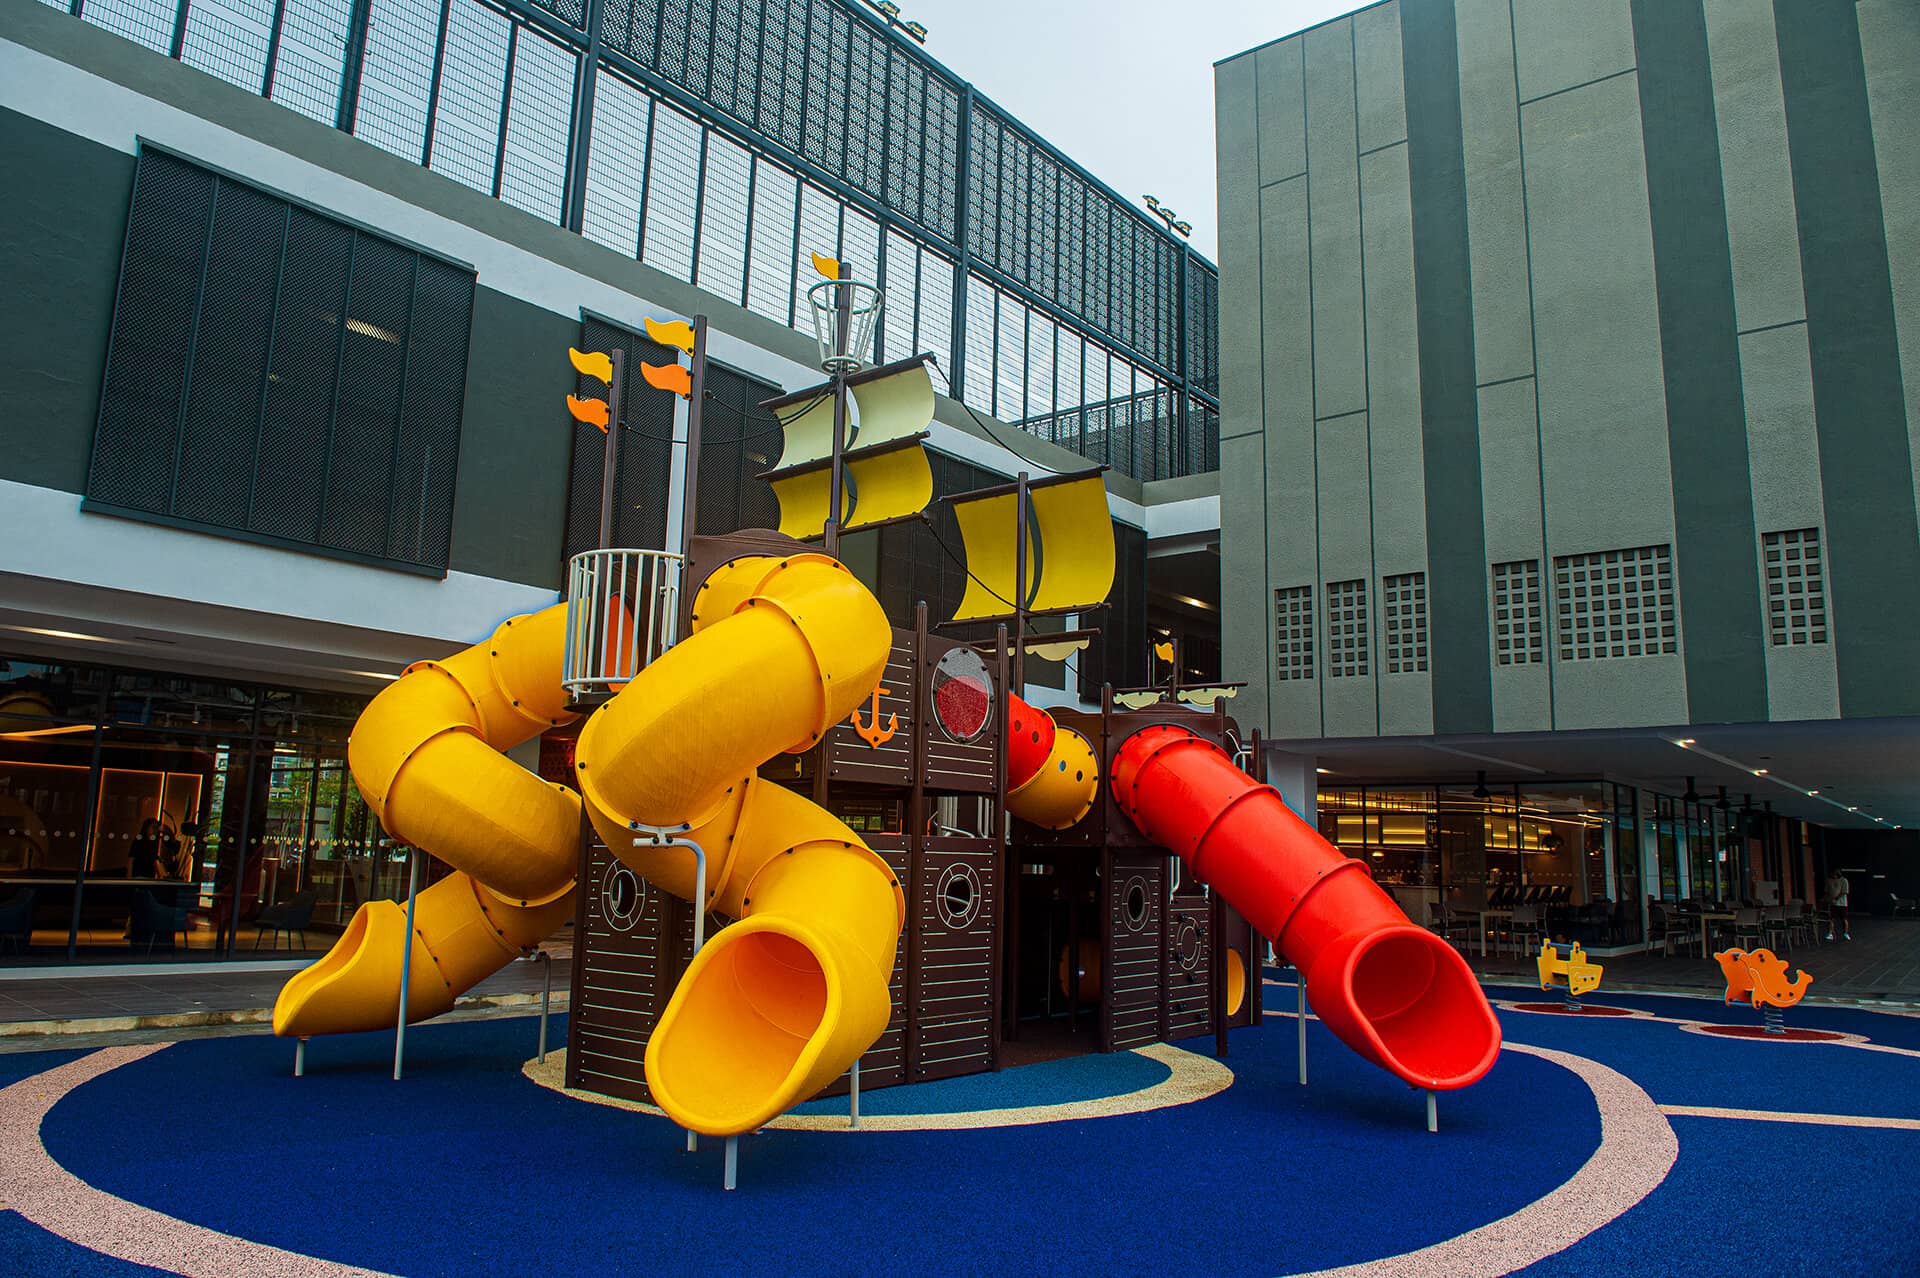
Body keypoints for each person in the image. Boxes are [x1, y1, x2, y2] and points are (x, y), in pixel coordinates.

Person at [1826, 868, 1851, 942]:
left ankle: (1845, 933)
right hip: (1833, 903)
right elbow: (1827, 891)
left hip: (1842, 903)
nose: (1834, 876)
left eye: (1835, 875)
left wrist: (1836, 898)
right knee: (1832, 919)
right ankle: (1830, 933)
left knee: (1844, 919)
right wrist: (1827, 899)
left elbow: (1844, 891)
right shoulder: (1829, 880)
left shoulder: (1844, 880)